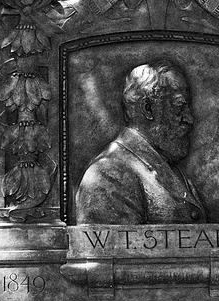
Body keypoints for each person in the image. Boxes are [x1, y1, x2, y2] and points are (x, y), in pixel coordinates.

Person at [76, 61, 207, 224]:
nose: (189, 119)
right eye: (179, 107)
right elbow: (112, 248)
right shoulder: (108, 175)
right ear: (148, 109)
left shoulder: (168, 166)